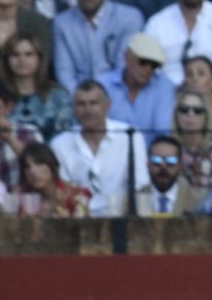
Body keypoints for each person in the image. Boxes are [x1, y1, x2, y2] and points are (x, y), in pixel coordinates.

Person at [48, 79, 148, 215]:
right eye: (81, 104)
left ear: (108, 106)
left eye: (93, 103)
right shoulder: (59, 144)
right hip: (75, 221)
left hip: (121, 218)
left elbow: (140, 185)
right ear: (73, 108)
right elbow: (61, 191)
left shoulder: (130, 135)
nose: (87, 110)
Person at [97, 31, 175, 137]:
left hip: (152, 148)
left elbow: (164, 132)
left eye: (154, 65)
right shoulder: (104, 85)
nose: (148, 69)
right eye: (143, 62)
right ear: (127, 57)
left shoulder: (164, 87)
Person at [0, 32, 71, 138]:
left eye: (28, 54)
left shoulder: (59, 96)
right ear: (6, 59)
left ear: (39, 58)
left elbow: (64, 137)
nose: (22, 60)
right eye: (15, 55)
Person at [14, 141, 92, 217]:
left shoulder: (77, 196)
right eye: (27, 167)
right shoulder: (20, 197)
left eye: (39, 164)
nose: (33, 171)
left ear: (52, 166)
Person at [133, 132, 204, 215]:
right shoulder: (134, 200)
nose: (163, 166)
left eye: (171, 161)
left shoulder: (197, 201)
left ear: (180, 165)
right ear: (148, 164)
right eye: (156, 160)